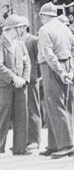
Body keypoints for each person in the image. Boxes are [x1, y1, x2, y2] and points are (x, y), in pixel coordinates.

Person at [37, 2, 74, 159]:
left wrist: (60, 71)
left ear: (43, 16)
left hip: (51, 68)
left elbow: (48, 53)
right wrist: (71, 68)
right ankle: (54, 144)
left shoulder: (44, 29)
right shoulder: (65, 28)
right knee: (66, 105)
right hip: (67, 65)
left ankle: (66, 145)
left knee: (54, 106)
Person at [0, 15, 31, 156]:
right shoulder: (1, 43)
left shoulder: (20, 44)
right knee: (3, 116)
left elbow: (27, 63)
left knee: (21, 116)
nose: (22, 30)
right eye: (20, 28)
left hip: (20, 86)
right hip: (4, 86)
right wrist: (14, 78)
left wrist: (24, 79)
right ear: (11, 29)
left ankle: (20, 148)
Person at [18, 17, 41, 150]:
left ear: (25, 26)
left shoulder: (33, 40)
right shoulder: (16, 41)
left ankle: (35, 139)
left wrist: (39, 76)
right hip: (20, 79)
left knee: (33, 109)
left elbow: (39, 58)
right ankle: (24, 139)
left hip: (32, 79)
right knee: (22, 110)